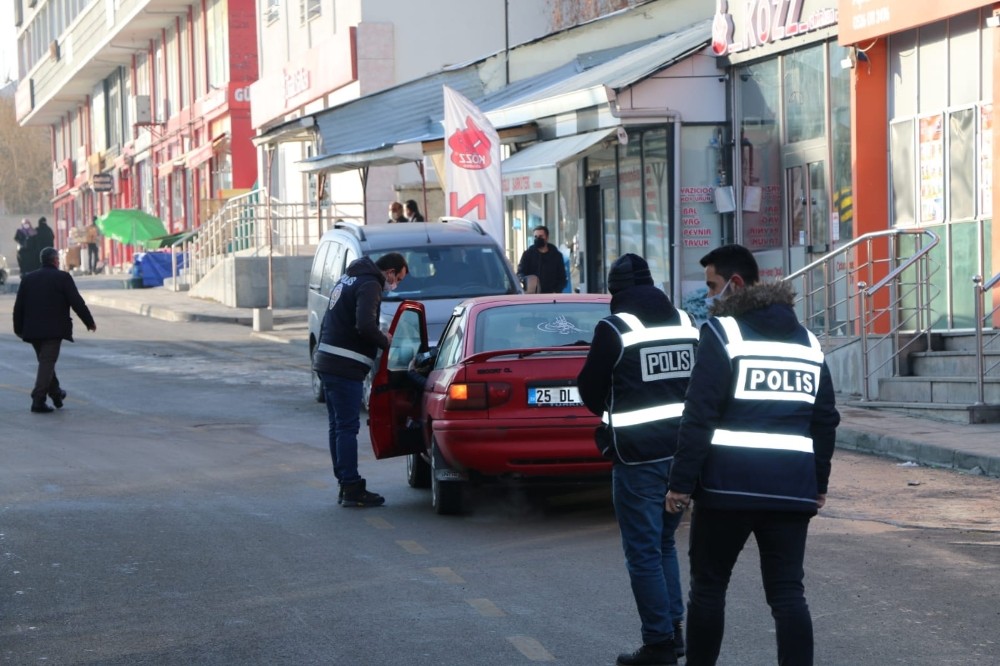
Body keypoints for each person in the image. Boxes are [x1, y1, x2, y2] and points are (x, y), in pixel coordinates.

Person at [665, 244, 840, 666]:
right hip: (790, 492)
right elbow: (825, 420)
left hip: (728, 488)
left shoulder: (723, 334)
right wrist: (818, 484)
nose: (710, 296)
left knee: (708, 589)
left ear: (735, 284)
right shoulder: (808, 343)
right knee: (787, 593)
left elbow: (698, 414)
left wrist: (680, 485)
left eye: (712, 286)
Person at [577, 253, 699, 666]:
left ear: (617, 292)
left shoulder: (615, 328)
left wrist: (610, 410)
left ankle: (659, 644)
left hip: (637, 457)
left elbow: (589, 388)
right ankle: (675, 633)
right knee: (663, 543)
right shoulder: (685, 322)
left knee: (644, 551)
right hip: (683, 455)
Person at [313, 252, 409, 507]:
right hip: (344, 366)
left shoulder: (349, 278)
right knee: (346, 427)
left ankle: (345, 483)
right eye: (397, 278)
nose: (395, 285)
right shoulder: (370, 284)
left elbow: (329, 321)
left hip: (328, 360)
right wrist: (385, 341)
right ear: (389, 272)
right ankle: (351, 486)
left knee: (338, 426)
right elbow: (364, 326)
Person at [12, 246, 98, 413]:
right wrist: (89, 322)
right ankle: (38, 399)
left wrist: (18, 328)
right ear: (56, 261)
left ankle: (56, 394)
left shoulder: (28, 278)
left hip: (33, 330)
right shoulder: (62, 277)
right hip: (53, 330)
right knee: (47, 362)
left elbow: (19, 306)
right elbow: (77, 302)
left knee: (46, 362)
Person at [517, 225, 567, 293]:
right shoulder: (528, 255)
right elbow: (520, 273)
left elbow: (562, 278)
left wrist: (556, 291)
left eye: (541, 236)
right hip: (532, 295)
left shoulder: (556, 256)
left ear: (547, 237)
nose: (538, 238)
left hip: (551, 296)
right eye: (535, 237)